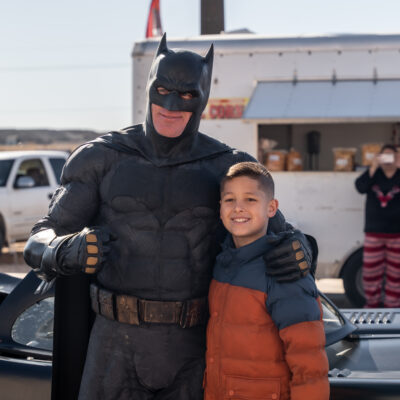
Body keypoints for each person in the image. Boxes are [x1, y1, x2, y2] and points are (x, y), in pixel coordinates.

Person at [23, 34, 316, 400]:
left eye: (188, 94)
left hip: (194, 347)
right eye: (163, 89)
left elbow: (283, 239)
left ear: (203, 99)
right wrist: (63, 250)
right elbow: (39, 239)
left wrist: (300, 250)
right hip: (113, 344)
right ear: (149, 87)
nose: (172, 103)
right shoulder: (101, 158)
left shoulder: (225, 167)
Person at [204, 162, 329, 400]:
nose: (238, 208)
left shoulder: (284, 271)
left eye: (250, 199)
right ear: (220, 208)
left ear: (271, 208)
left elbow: (310, 365)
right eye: (230, 200)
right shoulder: (221, 264)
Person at [355, 144, 400, 308]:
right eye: (385, 156)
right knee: (371, 272)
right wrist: (373, 167)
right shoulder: (373, 175)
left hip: (397, 234)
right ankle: (372, 303)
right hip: (374, 233)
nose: (388, 159)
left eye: (392, 155)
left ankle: (393, 305)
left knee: (396, 273)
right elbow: (360, 187)